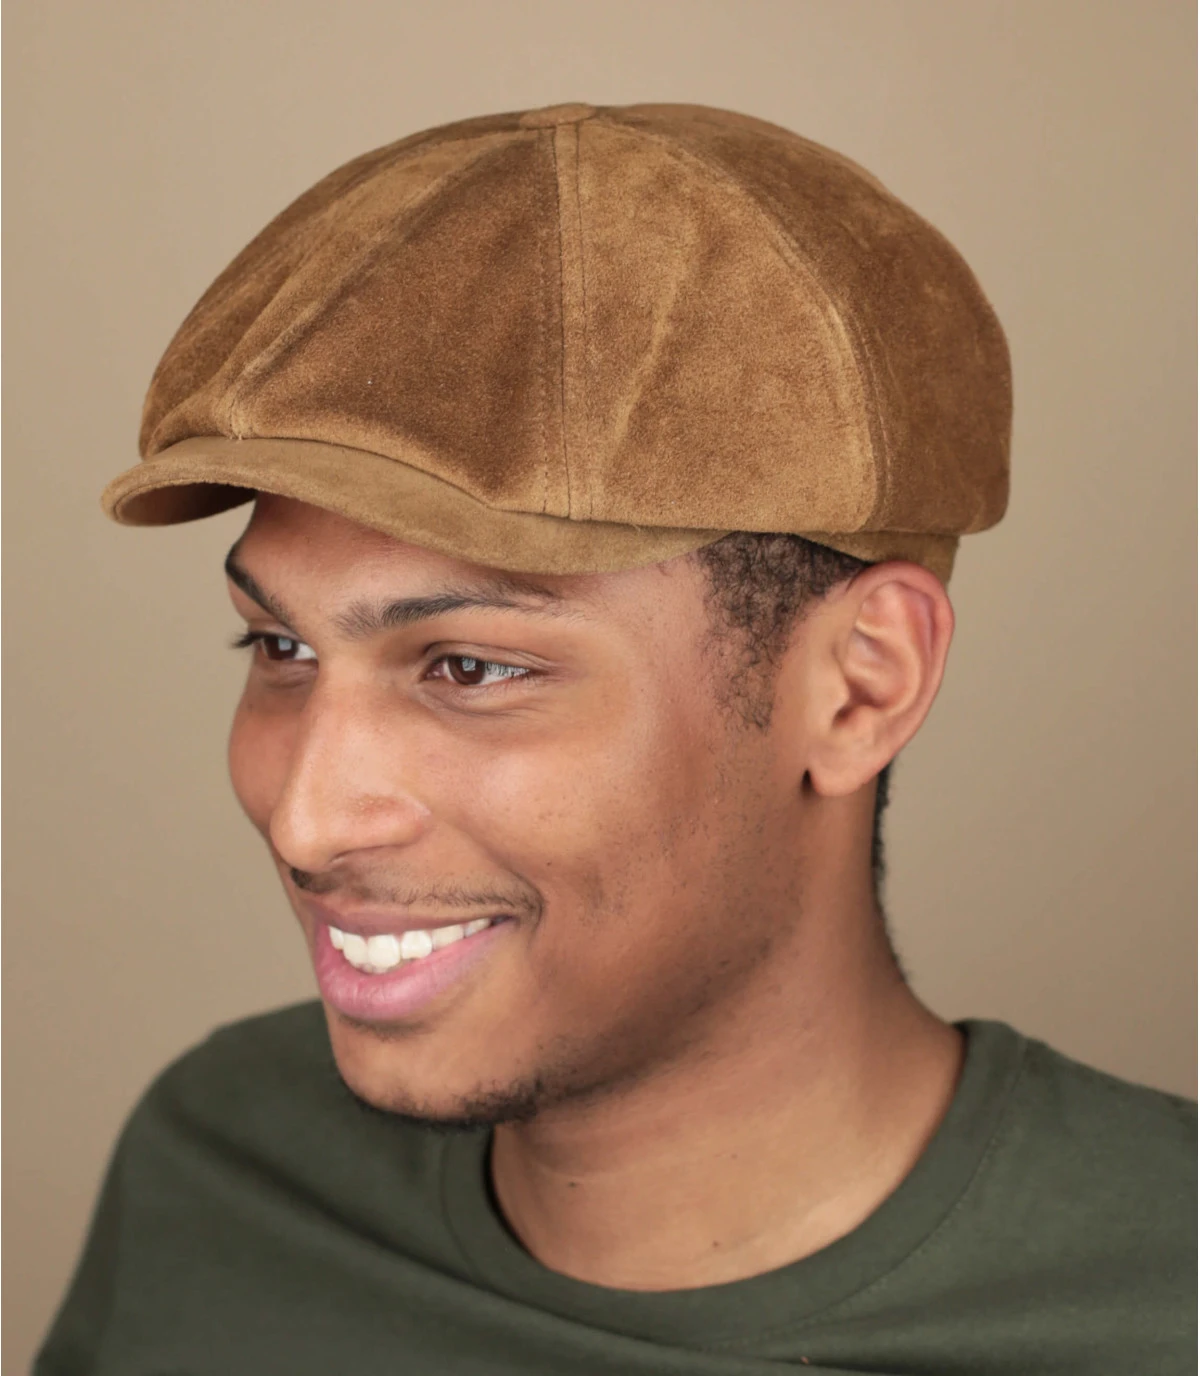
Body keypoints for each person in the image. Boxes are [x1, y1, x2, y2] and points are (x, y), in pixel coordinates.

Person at [37, 102, 1194, 1374]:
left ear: (860, 687)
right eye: (280, 648)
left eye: (470, 667)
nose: (307, 820)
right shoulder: (217, 1175)